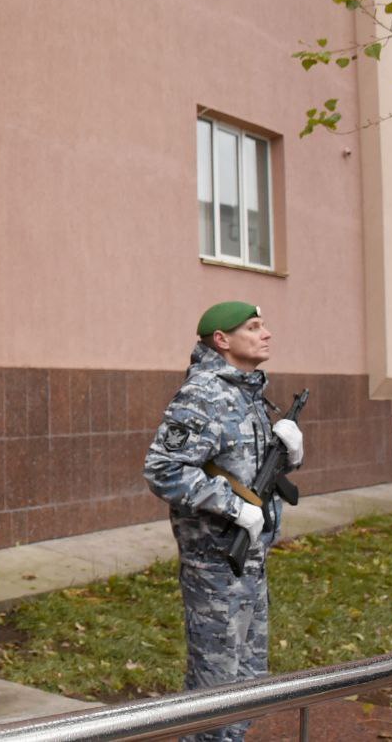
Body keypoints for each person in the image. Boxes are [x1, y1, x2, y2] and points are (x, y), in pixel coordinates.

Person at [142, 301, 304, 742]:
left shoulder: (247, 393)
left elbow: (244, 473)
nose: (265, 333)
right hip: (214, 564)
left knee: (248, 680)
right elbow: (164, 470)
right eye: (253, 327)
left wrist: (288, 457)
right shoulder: (204, 394)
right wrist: (233, 508)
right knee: (215, 689)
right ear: (221, 339)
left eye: (263, 325)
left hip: (250, 560)